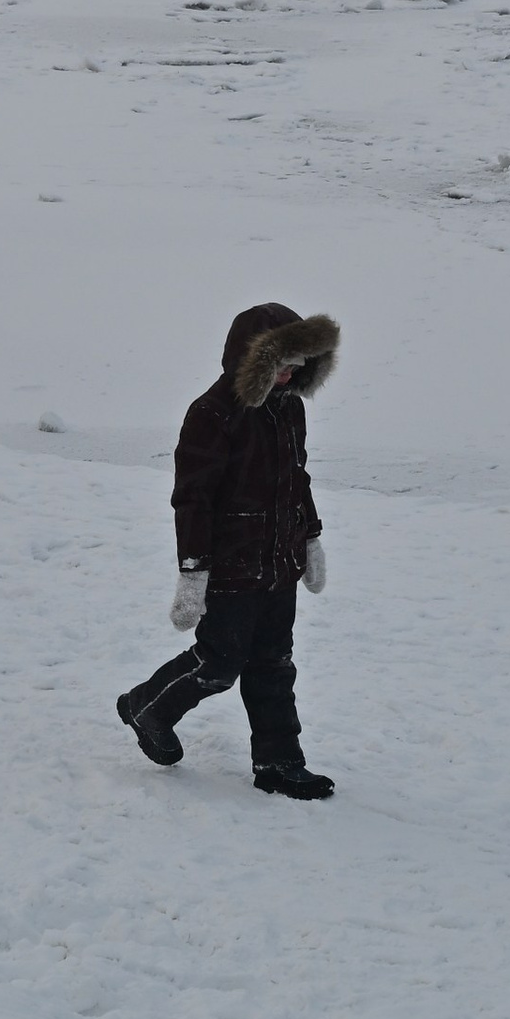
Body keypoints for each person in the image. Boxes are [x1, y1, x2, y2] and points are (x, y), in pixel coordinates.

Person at [115, 300, 339, 800]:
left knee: (274, 664)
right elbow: (192, 500)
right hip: (234, 564)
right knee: (218, 663)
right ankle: (148, 707)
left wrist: (312, 537)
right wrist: (193, 572)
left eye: (298, 365)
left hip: (280, 562)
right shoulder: (211, 414)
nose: (289, 375)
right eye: (280, 364)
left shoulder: (290, 409)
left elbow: (296, 479)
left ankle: (280, 762)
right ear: (250, 359)